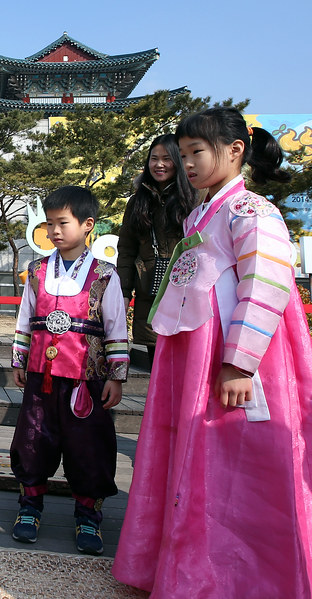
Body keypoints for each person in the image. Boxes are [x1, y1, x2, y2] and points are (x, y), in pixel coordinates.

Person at [112, 107, 312, 597]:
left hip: (232, 355)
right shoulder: (204, 210)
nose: (188, 164)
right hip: (193, 350)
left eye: (196, 152)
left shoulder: (252, 212)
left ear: (235, 150)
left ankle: (243, 575)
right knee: (191, 453)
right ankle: (182, 566)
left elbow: (265, 288)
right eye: (183, 155)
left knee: (236, 463)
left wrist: (240, 363)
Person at [9, 185, 129, 556]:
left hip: (86, 379)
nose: (54, 231)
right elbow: (26, 317)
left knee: (89, 446)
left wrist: (115, 375)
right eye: (49, 225)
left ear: (88, 224)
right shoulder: (37, 270)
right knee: (33, 438)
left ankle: (88, 514)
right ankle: (30, 506)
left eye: (63, 222)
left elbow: (116, 325)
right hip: (41, 376)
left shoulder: (105, 274)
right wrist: (19, 358)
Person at [116, 135, 198, 361]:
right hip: (150, 295)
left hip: (186, 295)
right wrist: (123, 293)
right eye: (154, 158)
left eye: (167, 158)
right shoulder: (138, 201)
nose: (159, 164)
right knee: (157, 365)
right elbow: (127, 251)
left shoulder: (194, 197)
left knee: (187, 364)